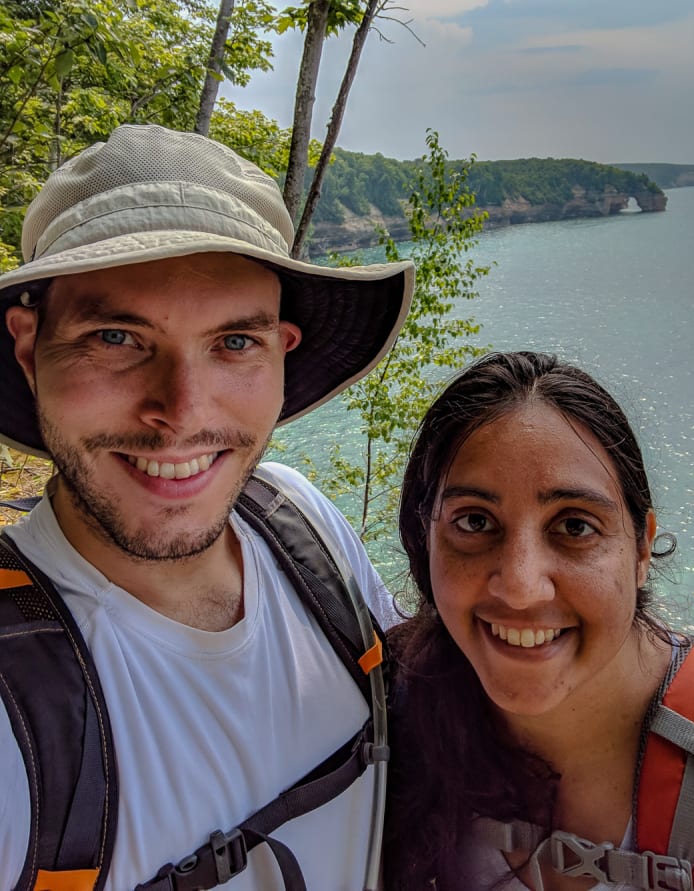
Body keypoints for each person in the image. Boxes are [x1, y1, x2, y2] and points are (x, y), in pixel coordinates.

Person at [0, 124, 415, 891]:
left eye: (233, 342)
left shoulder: (303, 524)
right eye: (117, 335)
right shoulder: (16, 714)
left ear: (281, 352)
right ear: (30, 352)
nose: (181, 411)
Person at [383, 351, 694, 891]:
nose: (521, 585)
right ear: (426, 536)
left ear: (642, 547)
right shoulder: (393, 725)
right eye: (475, 521)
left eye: (575, 526)